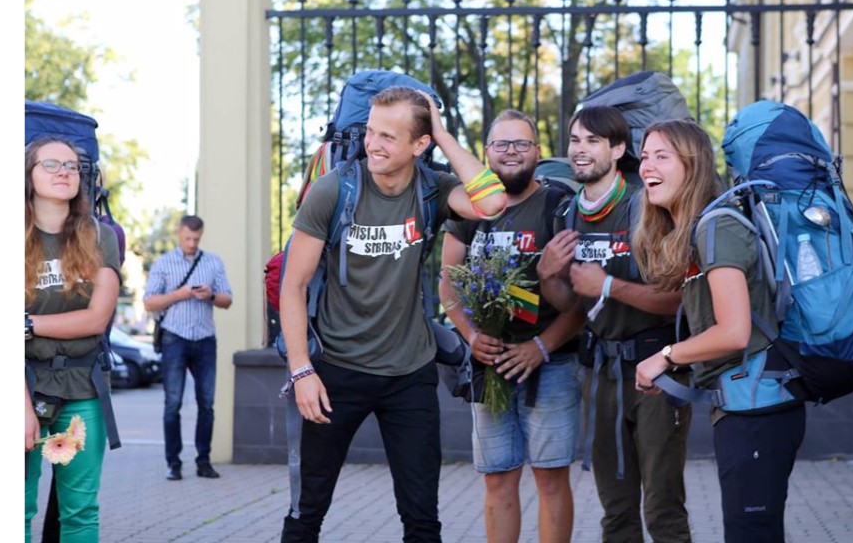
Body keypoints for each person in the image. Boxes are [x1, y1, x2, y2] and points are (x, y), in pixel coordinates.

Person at [279, 86, 507, 542]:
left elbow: (492, 202)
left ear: (418, 145)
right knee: (308, 512)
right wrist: (302, 370)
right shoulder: (332, 192)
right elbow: (293, 286)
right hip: (336, 373)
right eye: (370, 132)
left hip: (410, 373)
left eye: (388, 136)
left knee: (422, 518)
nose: (374, 144)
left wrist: (441, 133)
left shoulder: (432, 189)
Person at [632, 120, 806, 542]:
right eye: (644, 156)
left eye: (662, 156)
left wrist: (666, 356)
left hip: (758, 411)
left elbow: (733, 332)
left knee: (750, 533)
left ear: (692, 166)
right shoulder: (702, 228)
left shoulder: (717, 226)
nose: (646, 166)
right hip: (745, 406)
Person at [537, 106, 693, 542]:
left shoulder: (648, 205)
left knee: (662, 507)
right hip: (601, 373)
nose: (580, 150)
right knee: (615, 509)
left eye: (592, 141)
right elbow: (571, 302)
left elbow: (680, 298)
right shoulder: (566, 212)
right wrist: (549, 274)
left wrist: (608, 285)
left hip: (657, 369)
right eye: (574, 140)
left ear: (618, 148)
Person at [439, 110, 584, 543]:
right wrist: (471, 337)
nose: (511, 153)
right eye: (501, 144)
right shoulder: (470, 203)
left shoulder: (559, 204)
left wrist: (540, 346)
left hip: (553, 363)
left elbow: (582, 296)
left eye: (521, 144)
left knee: (551, 478)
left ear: (537, 152)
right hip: (491, 366)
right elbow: (448, 284)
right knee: (497, 479)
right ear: (486, 153)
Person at [25, 137, 121, 542]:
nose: (64, 171)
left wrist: (25, 326)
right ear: (27, 175)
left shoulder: (101, 237)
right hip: (22, 387)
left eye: (72, 165)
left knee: (80, 512)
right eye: (50, 164)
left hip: (82, 390)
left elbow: (96, 318)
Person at [143, 215, 233, 480]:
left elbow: (228, 299)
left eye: (196, 239)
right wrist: (179, 294)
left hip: (205, 339)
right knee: (173, 403)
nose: (192, 243)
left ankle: (203, 461)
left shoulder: (213, 262)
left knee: (207, 403)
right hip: (175, 338)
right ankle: (174, 463)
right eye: (187, 238)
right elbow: (149, 302)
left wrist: (211, 295)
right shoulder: (164, 262)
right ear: (179, 234)